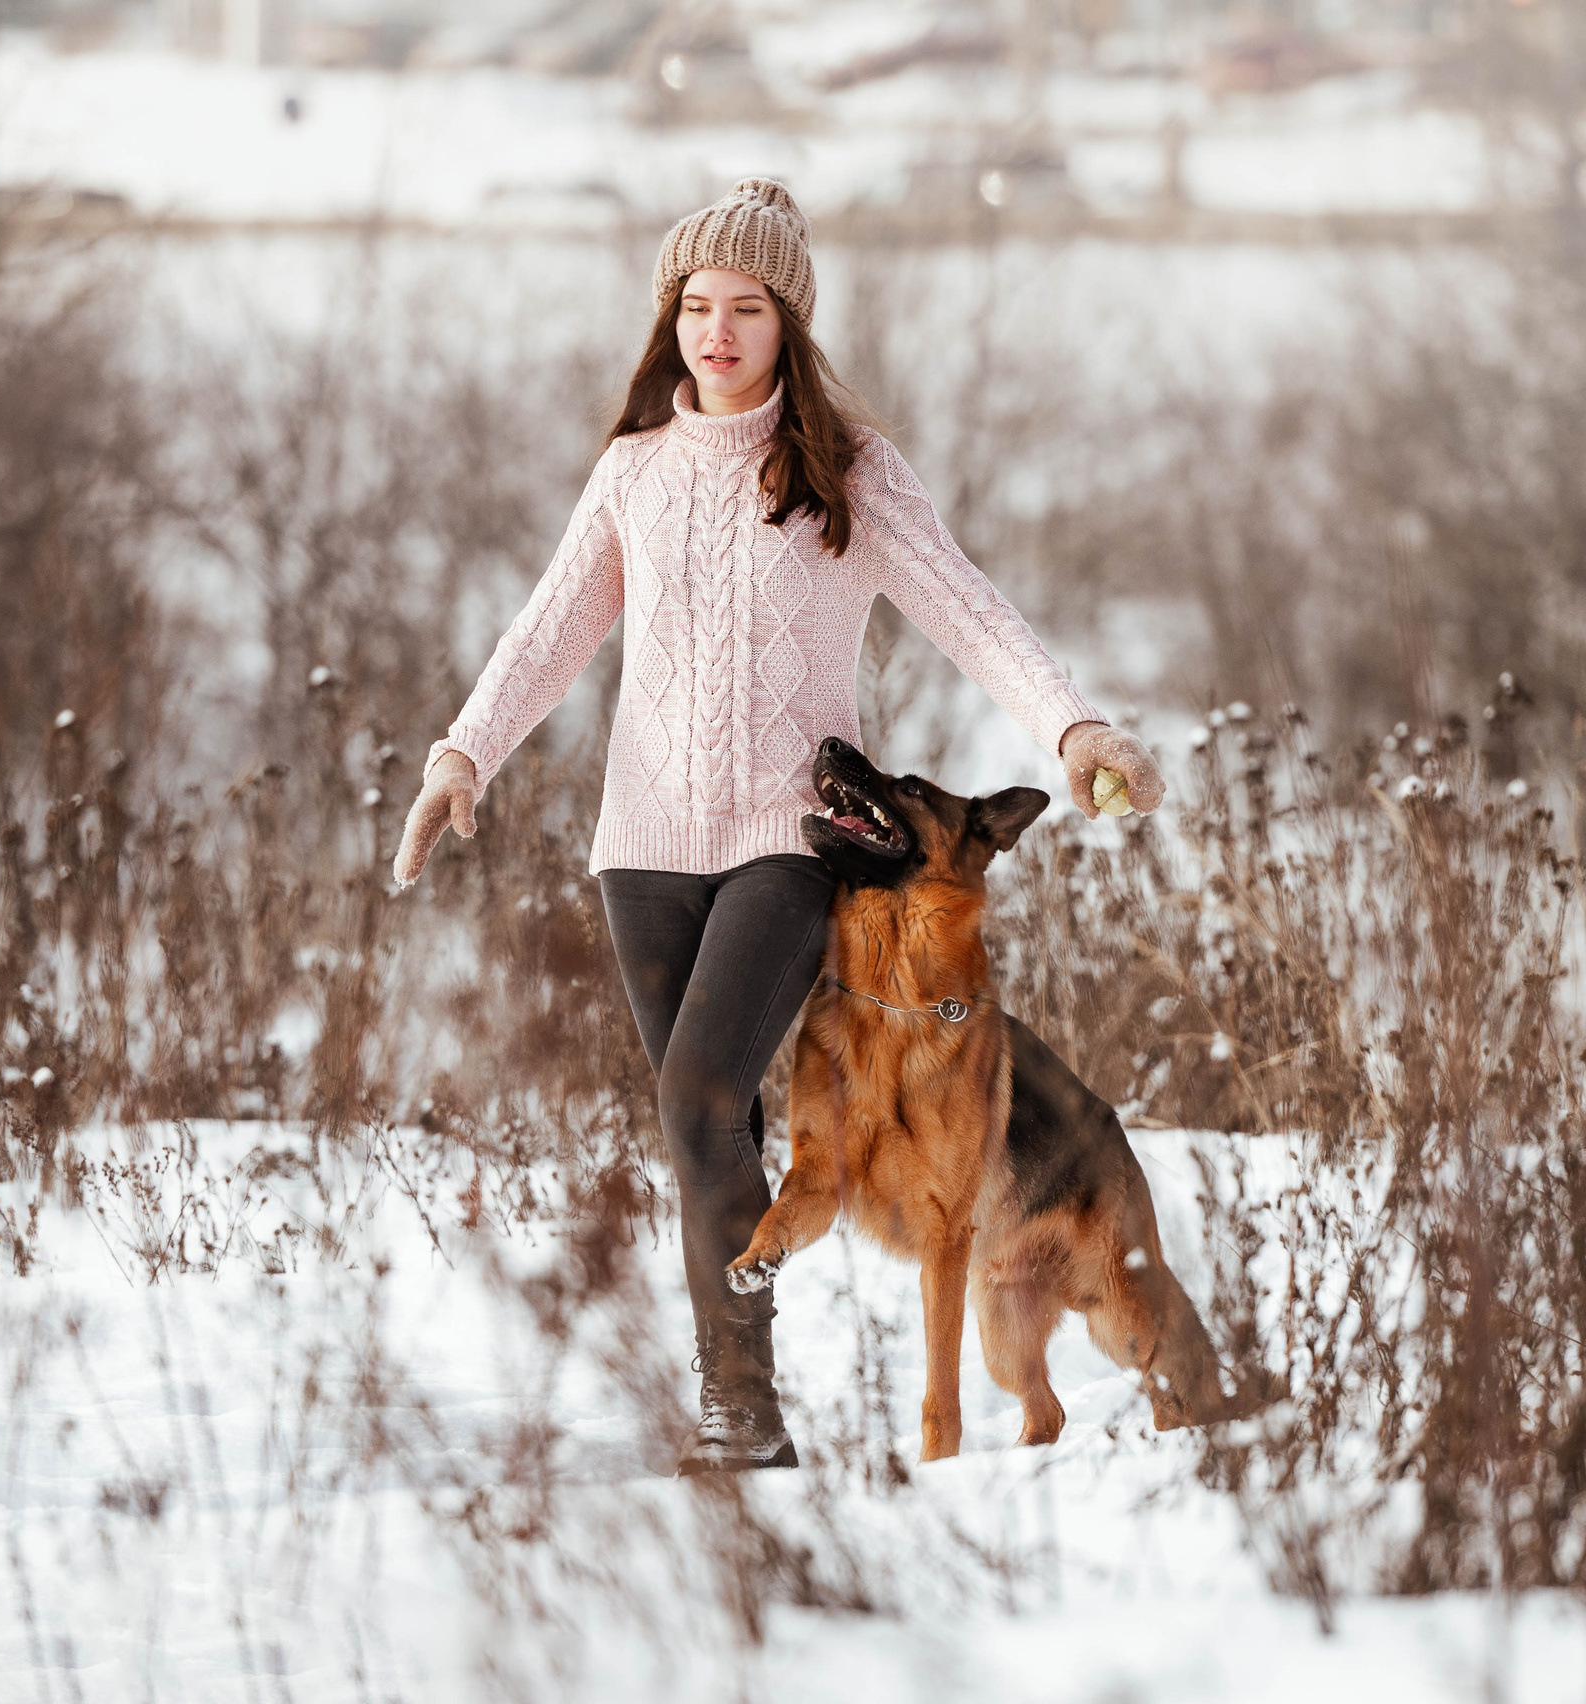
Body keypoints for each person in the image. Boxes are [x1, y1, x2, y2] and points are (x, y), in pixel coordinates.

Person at [392, 179, 1165, 1474]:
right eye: (695, 306)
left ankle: (739, 1407)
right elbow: (546, 632)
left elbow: (971, 614)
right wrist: (461, 753)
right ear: (670, 321)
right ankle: (742, 1405)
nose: (716, 330)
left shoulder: (845, 477)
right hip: (640, 849)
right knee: (707, 1129)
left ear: (787, 326)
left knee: (703, 1088)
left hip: (781, 847)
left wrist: (1076, 731)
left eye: (745, 307)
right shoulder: (633, 472)